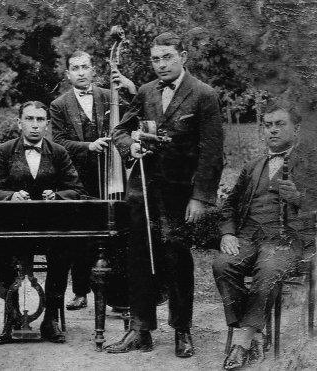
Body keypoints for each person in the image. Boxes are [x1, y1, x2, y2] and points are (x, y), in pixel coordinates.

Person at [107, 31, 224, 357]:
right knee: (138, 259)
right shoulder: (145, 92)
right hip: (142, 189)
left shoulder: (204, 95)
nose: (161, 65)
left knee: (176, 259)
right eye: (156, 59)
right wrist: (132, 146)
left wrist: (200, 198)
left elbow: (212, 154)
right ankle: (139, 330)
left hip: (180, 195)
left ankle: (182, 331)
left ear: (183, 56)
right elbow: (119, 131)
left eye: (167, 57)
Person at [212, 102, 317, 369]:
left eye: (279, 124)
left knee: (268, 268)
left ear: (297, 128)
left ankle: (242, 342)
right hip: (248, 237)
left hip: (287, 239)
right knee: (222, 264)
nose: (272, 130)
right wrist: (227, 234)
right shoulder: (252, 166)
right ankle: (257, 333)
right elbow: (230, 205)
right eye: (267, 125)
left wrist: (299, 198)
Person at [0, 101, 86, 343]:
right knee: (3, 251)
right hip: (15, 228)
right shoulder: (5, 151)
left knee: (62, 251)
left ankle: (51, 320)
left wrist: (57, 196)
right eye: (29, 119)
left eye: (40, 120)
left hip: (50, 228)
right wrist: (11, 196)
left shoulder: (58, 152)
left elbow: (77, 190)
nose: (35, 125)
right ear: (19, 123)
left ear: (47, 124)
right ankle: (12, 319)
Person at [51, 50, 137, 311]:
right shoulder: (59, 104)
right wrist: (89, 146)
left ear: (93, 70)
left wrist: (131, 90)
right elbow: (58, 142)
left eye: (85, 67)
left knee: (116, 231)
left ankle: (118, 296)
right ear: (67, 74)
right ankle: (80, 291)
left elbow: (134, 115)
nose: (81, 72)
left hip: (113, 174)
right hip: (78, 177)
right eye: (75, 68)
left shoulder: (108, 95)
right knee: (81, 234)